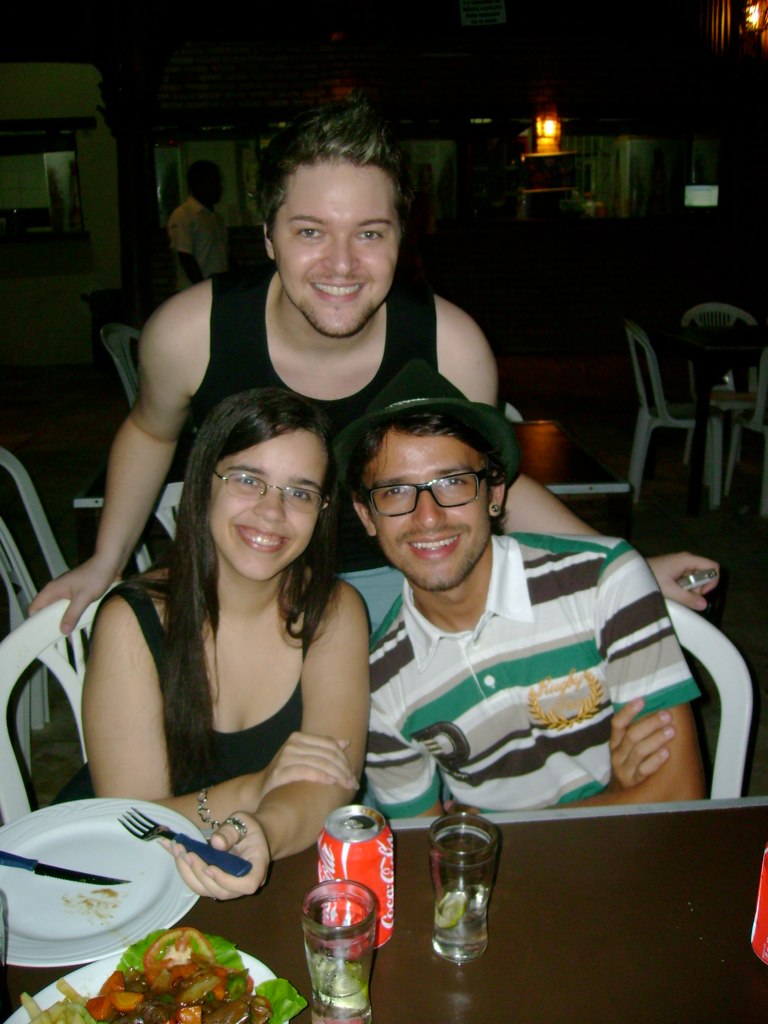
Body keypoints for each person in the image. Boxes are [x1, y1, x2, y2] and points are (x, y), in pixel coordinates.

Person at [32, 92, 718, 635]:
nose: (340, 265)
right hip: (241, 588)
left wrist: (626, 570)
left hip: (394, 593)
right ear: (268, 235)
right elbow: (152, 432)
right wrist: (106, 560)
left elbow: (492, 493)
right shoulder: (189, 332)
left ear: (403, 236)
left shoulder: (452, 346)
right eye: (309, 232)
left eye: (369, 233)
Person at [334, 360, 705, 815]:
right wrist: (613, 802)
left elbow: (680, 793)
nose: (427, 517)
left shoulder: (606, 581)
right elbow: (426, 851)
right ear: (366, 515)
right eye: (395, 492)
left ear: (494, 493)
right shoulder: (378, 684)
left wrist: (486, 831)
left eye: (453, 483)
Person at [79, 388, 369, 899]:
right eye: (247, 480)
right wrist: (255, 789)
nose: (272, 512)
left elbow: (331, 781)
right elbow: (130, 821)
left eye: (300, 493)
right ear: (203, 484)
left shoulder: (335, 611)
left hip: (272, 872)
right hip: (130, 882)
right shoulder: (133, 620)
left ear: (322, 511)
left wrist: (262, 831)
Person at [167, 160, 229, 290]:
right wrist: (201, 288)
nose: (219, 187)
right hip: (195, 291)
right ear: (198, 185)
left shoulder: (216, 218)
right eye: (214, 182)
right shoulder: (183, 215)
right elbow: (185, 257)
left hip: (218, 289)